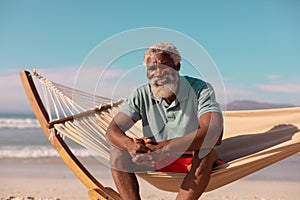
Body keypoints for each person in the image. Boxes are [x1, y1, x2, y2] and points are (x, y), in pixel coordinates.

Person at [106, 42, 223, 200]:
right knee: (117, 150)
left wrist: (164, 148)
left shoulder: (200, 89)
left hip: (190, 160)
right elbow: (112, 130)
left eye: (165, 66)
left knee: (206, 153)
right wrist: (131, 146)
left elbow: (214, 133)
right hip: (155, 159)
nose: (158, 73)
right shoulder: (141, 94)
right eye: (152, 68)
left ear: (178, 66)